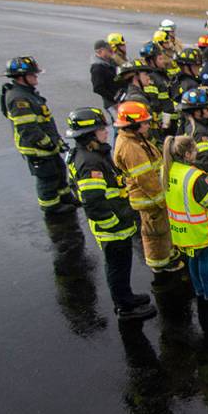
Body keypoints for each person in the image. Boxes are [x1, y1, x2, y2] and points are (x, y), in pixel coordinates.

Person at [65, 107, 155, 321]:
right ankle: (125, 307)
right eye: (100, 129)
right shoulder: (90, 162)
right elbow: (93, 201)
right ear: (89, 134)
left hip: (118, 222)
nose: (105, 132)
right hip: (112, 229)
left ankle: (127, 297)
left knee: (122, 266)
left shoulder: (90, 155)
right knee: (117, 267)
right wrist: (114, 223)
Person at [112, 101, 184, 273]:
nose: (147, 124)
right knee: (154, 232)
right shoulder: (130, 147)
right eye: (144, 122)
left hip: (152, 195)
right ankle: (159, 264)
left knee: (163, 226)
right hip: (148, 198)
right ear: (133, 124)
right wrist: (162, 198)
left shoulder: (135, 138)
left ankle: (168, 253)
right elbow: (145, 178)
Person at [1, 55, 76, 215]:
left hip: (48, 144)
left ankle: (65, 197)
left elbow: (44, 121)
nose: (36, 77)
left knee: (59, 170)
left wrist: (56, 141)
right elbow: (27, 128)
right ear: (21, 77)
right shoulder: (18, 99)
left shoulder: (27, 93)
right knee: (47, 177)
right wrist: (47, 142)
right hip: (37, 149)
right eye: (33, 74)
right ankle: (51, 207)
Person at [162, 135, 208, 301]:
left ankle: (199, 289)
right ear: (187, 155)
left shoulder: (168, 170)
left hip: (182, 229)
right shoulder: (194, 177)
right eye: (194, 150)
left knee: (193, 258)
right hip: (199, 228)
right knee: (206, 259)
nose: (197, 153)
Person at [177, 87, 208, 184]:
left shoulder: (189, 125)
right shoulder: (199, 132)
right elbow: (204, 161)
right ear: (196, 112)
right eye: (206, 108)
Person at [91, 39, 120, 145]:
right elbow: (98, 87)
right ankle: (118, 149)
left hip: (118, 99)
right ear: (100, 51)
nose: (110, 52)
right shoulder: (97, 67)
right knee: (119, 126)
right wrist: (114, 100)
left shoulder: (109, 62)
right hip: (112, 103)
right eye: (108, 50)